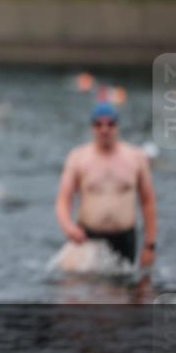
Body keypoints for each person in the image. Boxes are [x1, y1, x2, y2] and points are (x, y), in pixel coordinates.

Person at [55, 103, 157, 268]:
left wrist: (150, 245)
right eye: (99, 124)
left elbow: (148, 201)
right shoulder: (78, 157)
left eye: (110, 124)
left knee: (123, 291)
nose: (104, 129)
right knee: (78, 289)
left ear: (117, 126)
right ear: (92, 127)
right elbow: (63, 200)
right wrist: (68, 227)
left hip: (125, 238)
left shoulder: (136, 158)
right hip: (87, 236)